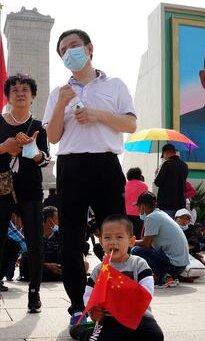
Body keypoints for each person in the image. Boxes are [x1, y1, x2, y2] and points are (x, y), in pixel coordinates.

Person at [43, 29, 136, 329]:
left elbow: (131, 123)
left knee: (116, 235)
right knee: (70, 239)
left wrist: (96, 114)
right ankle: (77, 306)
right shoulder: (59, 92)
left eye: (74, 46)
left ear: (89, 48)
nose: (69, 52)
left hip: (106, 164)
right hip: (70, 166)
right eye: (63, 50)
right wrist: (61, 106)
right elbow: (53, 136)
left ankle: (116, 301)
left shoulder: (115, 85)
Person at [0, 74, 50, 314]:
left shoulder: (39, 126)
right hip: (1, 190)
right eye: (15, 90)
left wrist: (34, 151)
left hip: (30, 189)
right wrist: (3, 148)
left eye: (25, 90)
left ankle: (34, 293)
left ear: (32, 96)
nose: (20, 93)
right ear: (8, 96)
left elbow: (46, 159)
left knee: (35, 242)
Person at [77, 215, 163, 341]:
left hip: (139, 317)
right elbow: (89, 293)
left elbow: (147, 289)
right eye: (107, 237)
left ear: (132, 241)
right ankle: (84, 332)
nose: (112, 241)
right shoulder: (99, 270)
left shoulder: (139, 264)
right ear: (101, 242)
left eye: (119, 237)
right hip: (110, 319)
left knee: (155, 336)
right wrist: (93, 310)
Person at [131, 192, 189, 288]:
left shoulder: (151, 217)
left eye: (138, 206)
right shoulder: (160, 214)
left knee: (136, 250)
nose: (138, 210)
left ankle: (161, 277)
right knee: (140, 250)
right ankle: (166, 276)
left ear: (142, 207)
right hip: (180, 265)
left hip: (174, 265)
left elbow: (146, 244)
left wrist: (129, 242)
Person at [154, 144, 189, 218]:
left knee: (165, 227)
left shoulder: (166, 164)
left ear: (166, 153)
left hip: (166, 204)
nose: (164, 158)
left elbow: (157, 182)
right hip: (180, 204)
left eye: (164, 156)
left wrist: (156, 174)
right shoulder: (184, 165)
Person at [125, 167, 148, 239]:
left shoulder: (124, 185)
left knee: (126, 234)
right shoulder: (144, 185)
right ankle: (135, 249)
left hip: (125, 213)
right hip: (139, 214)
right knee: (137, 236)